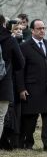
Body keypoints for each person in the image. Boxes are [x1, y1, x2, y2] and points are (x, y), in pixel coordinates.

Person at [16, 19, 47, 150]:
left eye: (43, 28)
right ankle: (27, 143)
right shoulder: (24, 47)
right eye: (39, 28)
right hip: (31, 88)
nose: (42, 30)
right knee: (30, 119)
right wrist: (21, 89)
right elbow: (20, 70)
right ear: (32, 30)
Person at [0, 15, 24, 149]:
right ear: (4, 24)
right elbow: (20, 63)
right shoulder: (10, 40)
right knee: (0, 117)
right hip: (4, 83)